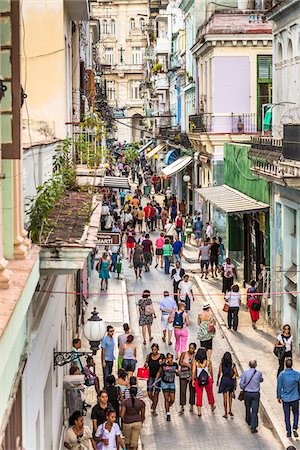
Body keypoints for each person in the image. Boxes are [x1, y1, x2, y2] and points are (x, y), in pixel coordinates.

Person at [277, 358, 300, 438]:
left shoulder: (282, 375)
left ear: (285, 364)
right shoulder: (297, 374)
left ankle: (288, 432)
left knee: (287, 415)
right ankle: (295, 427)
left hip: (285, 398)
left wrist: (279, 396)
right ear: (292, 364)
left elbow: (279, 386)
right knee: (296, 413)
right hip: (295, 397)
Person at [240, 359, 263, 434]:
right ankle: (253, 426)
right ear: (256, 365)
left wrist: (244, 387)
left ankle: (248, 420)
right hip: (255, 394)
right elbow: (260, 380)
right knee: (255, 410)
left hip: (247, 393)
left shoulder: (245, 373)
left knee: (247, 407)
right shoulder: (259, 373)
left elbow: (241, 384)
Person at [192, 347, 216, 417]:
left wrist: (193, 380)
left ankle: (199, 411)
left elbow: (193, 371)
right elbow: (211, 371)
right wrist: (212, 378)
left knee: (199, 395)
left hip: (198, 379)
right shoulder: (208, 361)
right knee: (210, 393)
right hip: (207, 379)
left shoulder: (196, 362)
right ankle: (212, 406)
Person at [156, 353, 179, 421]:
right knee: (166, 399)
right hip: (164, 383)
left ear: (172, 358)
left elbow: (177, 374)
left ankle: (167, 406)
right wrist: (156, 380)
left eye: (170, 358)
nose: (169, 359)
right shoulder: (163, 365)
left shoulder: (175, 365)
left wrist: (177, 372)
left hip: (172, 383)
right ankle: (168, 413)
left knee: (172, 399)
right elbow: (159, 372)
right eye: (168, 358)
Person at [217, 352, 238, 418]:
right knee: (230, 396)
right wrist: (234, 376)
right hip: (230, 381)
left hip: (224, 380)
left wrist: (217, 380)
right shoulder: (233, 365)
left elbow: (219, 373)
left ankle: (225, 413)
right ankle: (230, 410)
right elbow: (236, 373)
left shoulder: (221, 364)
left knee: (225, 397)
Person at [179, 343, 197, 415]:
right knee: (183, 390)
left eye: (192, 348)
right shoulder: (184, 354)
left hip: (192, 375)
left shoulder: (196, 355)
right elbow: (180, 362)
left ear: (194, 349)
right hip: (183, 374)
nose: (191, 349)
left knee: (192, 390)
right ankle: (182, 406)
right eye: (190, 348)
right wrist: (186, 364)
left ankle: (191, 404)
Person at [145, 343, 161, 416]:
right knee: (149, 393)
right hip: (150, 376)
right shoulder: (149, 356)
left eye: (155, 349)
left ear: (158, 349)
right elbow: (146, 364)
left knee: (156, 393)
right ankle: (154, 402)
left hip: (158, 377)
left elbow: (161, 367)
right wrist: (145, 365)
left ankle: (154, 409)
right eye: (153, 349)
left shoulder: (161, 356)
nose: (154, 351)